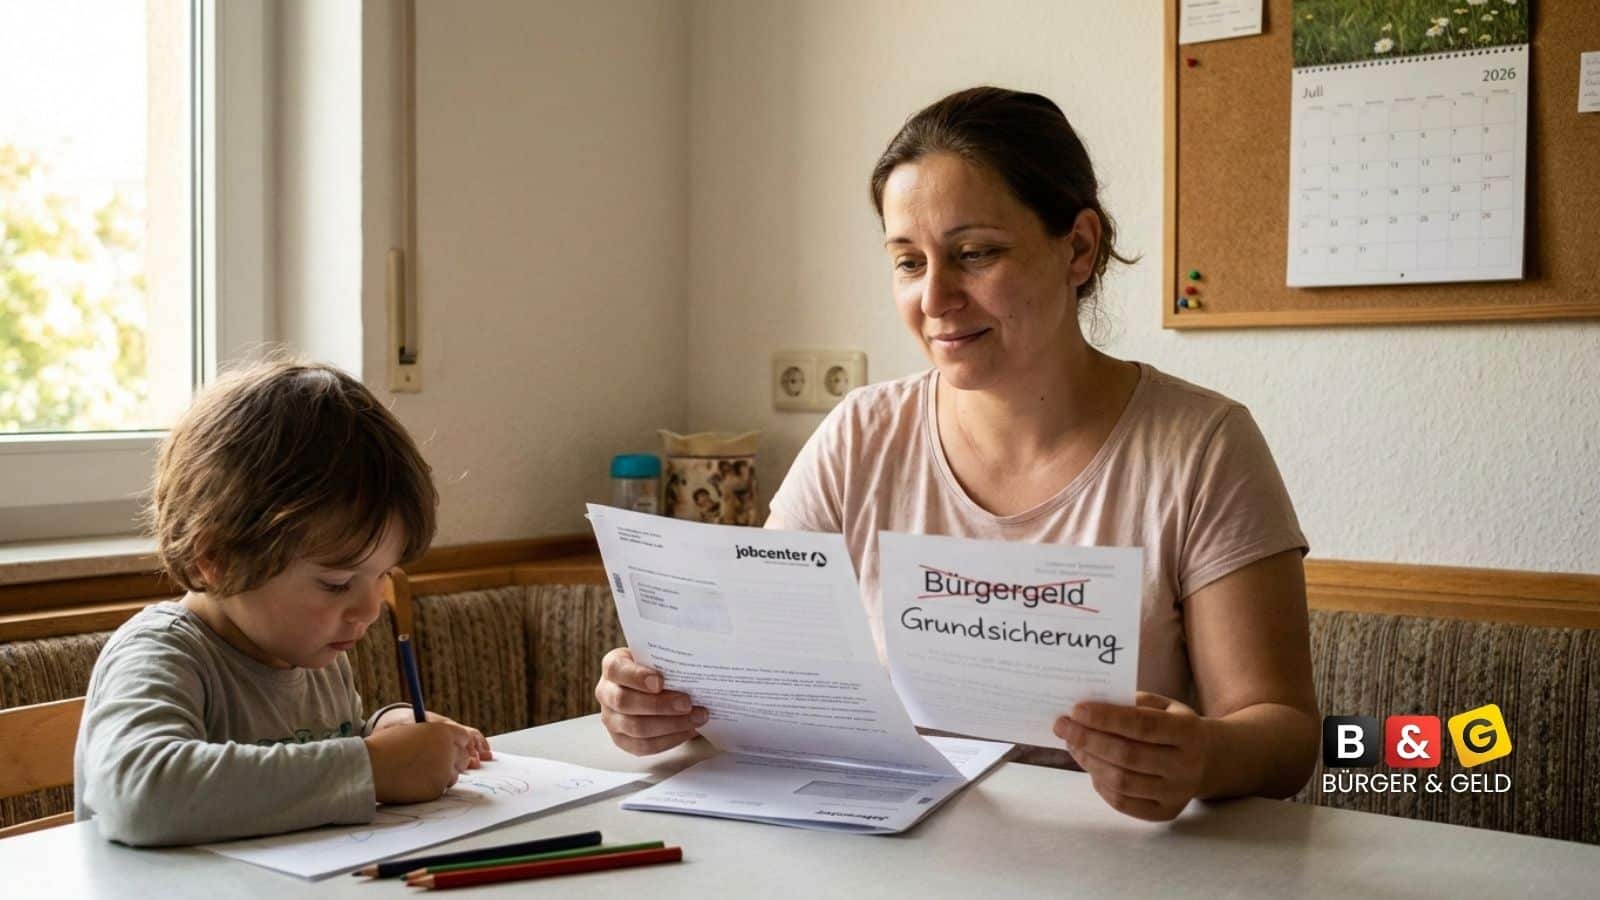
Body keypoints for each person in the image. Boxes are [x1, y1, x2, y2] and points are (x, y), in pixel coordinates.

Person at [593, 86, 1319, 822]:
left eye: (975, 254)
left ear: (1078, 247)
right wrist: (655, 703)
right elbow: (751, 668)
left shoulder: (1202, 448)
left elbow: (1284, 736)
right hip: (883, 855)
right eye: (909, 262)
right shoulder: (860, 436)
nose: (935, 298)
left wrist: (1201, 758)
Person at [75, 359, 494, 846]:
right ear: (219, 558)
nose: (369, 609)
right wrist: (373, 766)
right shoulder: (163, 655)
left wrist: (381, 731)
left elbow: (301, 761)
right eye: (336, 583)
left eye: (381, 576)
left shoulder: (313, 652)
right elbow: (139, 794)